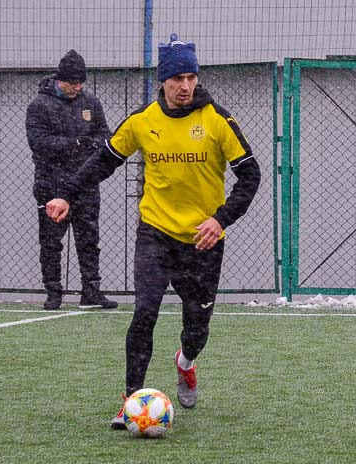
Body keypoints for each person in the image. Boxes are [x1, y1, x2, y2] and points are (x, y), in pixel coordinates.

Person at [45, 34, 261, 424]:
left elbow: (250, 176)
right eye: (177, 77)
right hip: (155, 234)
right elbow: (102, 162)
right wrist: (66, 194)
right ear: (163, 80)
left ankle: (186, 361)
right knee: (144, 313)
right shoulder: (143, 122)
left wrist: (220, 218)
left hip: (202, 242)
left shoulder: (217, 120)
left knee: (196, 327)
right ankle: (131, 401)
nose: (185, 86)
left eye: (192, 76)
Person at [25, 49, 117, 310]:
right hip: (51, 185)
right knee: (51, 242)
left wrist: (94, 145)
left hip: (85, 183)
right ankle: (53, 292)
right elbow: (39, 143)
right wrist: (76, 144)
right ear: (60, 79)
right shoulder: (39, 105)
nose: (77, 87)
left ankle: (91, 292)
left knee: (89, 240)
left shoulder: (90, 102)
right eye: (73, 83)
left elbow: (104, 134)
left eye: (80, 83)